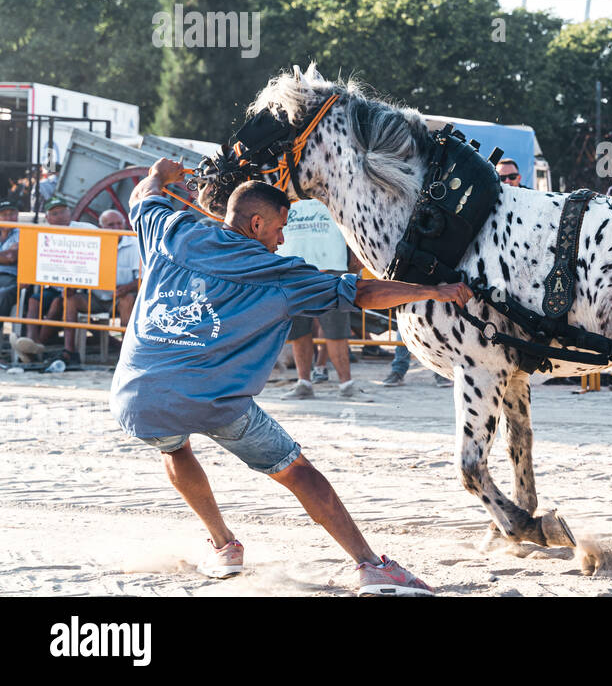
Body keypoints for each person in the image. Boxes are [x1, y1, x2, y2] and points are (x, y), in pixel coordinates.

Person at [111, 158, 473, 592]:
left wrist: (159, 174)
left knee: (174, 448)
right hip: (217, 400)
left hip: (139, 396)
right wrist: (434, 291)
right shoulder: (279, 273)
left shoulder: (174, 232)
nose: (283, 239)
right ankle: (368, 564)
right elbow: (362, 292)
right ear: (257, 222)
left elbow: (142, 197)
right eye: (280, 228)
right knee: (296, 470)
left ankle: (224, 547)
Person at [277, 199, 365, 399]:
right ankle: (304, 382)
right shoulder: (282, 192)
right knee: (299, 332)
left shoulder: (330, 191)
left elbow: (350, 222)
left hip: (330, 266)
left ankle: (346, 384)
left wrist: (354, 252)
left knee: (336, 331)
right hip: (293, 268)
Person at [51, 208, 141, 372]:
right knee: (70, 299)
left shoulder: (134, 243)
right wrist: (72, 287)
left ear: (124, 224)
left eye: (118, 224)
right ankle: (69, 352)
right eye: (110, 225)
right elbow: (81, 272)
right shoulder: (92, 243)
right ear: (101, 227)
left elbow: (141, 278)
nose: (115, 228)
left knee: (127, 299)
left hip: (120, 299)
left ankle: (125, 355)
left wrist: (126, 288)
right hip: (97, 298)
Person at [13, 196, 97, 363]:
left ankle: (35, 346)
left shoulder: (86, 228)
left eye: (63, 212)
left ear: (70, 213)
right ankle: (31, 341)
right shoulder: (41, 233)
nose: (60, 216)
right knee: (33, 301)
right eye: (55, 213)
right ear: (48, 218)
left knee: (58, 303)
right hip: (52, 284)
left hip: (78, 287)